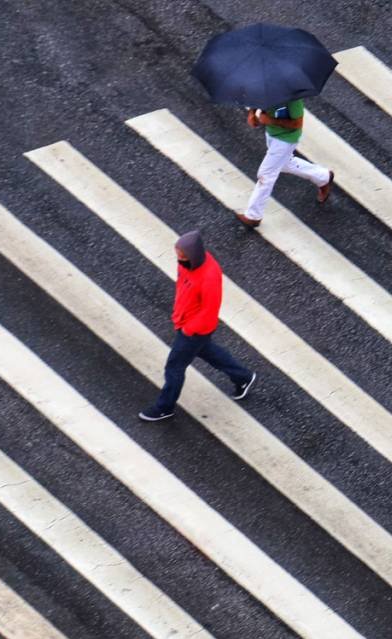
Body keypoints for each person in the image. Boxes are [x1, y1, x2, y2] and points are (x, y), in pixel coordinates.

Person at [139, 231, 256, 421]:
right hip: (185, 322)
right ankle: (243, 377)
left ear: (192, 255)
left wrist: (188, 330)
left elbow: (209, 310)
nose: (179, 260)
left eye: (182, 256)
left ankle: (164, 407)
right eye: (178, 255)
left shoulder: (209, 276)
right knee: (208, 352)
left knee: (174, 367)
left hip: (195, 330)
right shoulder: (189, 263)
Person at [235, 98, 334, 228]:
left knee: (266, 174)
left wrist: (270, 120)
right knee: (285, 163)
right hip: (272, 134)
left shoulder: (293, 97)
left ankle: (253, 216)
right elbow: (257, 97)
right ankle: (324, 177)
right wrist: (252, 113)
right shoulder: (267, 87)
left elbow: (298, 123)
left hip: (286, 140)